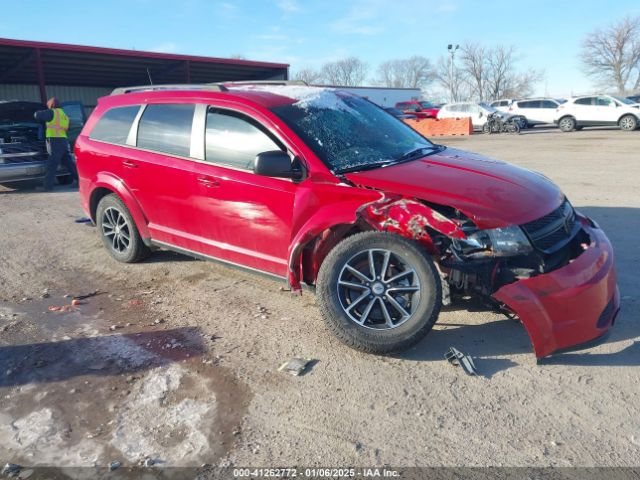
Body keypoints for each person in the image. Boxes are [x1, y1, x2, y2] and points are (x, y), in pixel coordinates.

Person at [34, 97, 78, 191]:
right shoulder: (64, 114)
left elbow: (36, 115)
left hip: (55, 140)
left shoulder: (51, 112)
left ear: (51, 105)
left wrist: (43, 112)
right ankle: (79, 182)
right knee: (70, 163)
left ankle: (47, 187)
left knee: (52, 164)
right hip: (63, 140)